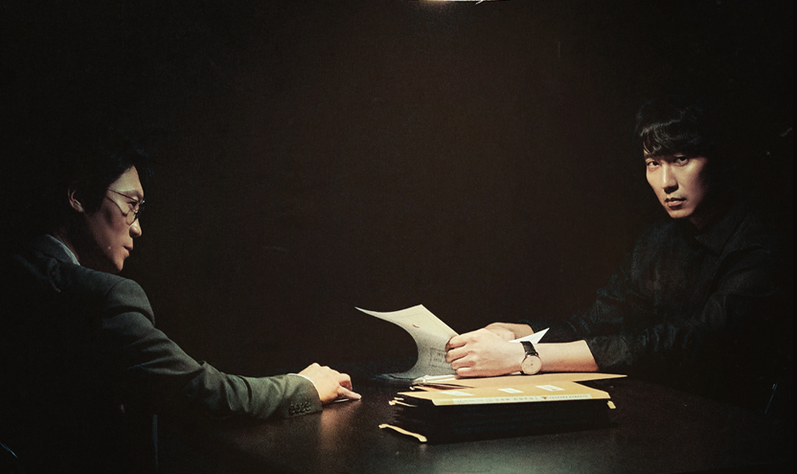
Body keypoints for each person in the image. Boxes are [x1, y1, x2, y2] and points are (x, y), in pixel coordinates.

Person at [0, 126, 359, 473]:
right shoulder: (104, 296)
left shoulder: (17, 271)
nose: (137, 227)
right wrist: (303, 387)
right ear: (77, 197)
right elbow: (203, 393)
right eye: (131, 204)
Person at [445, 96, 786, 409]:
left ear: (716, 160)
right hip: (660, 410)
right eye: (653, 163)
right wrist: (513, 332)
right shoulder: (658, 240)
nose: (666, 182)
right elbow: (597, 321)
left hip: (736, 424)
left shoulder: (759, 243)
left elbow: (685, 342)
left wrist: (525, 356)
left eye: (680, 159)